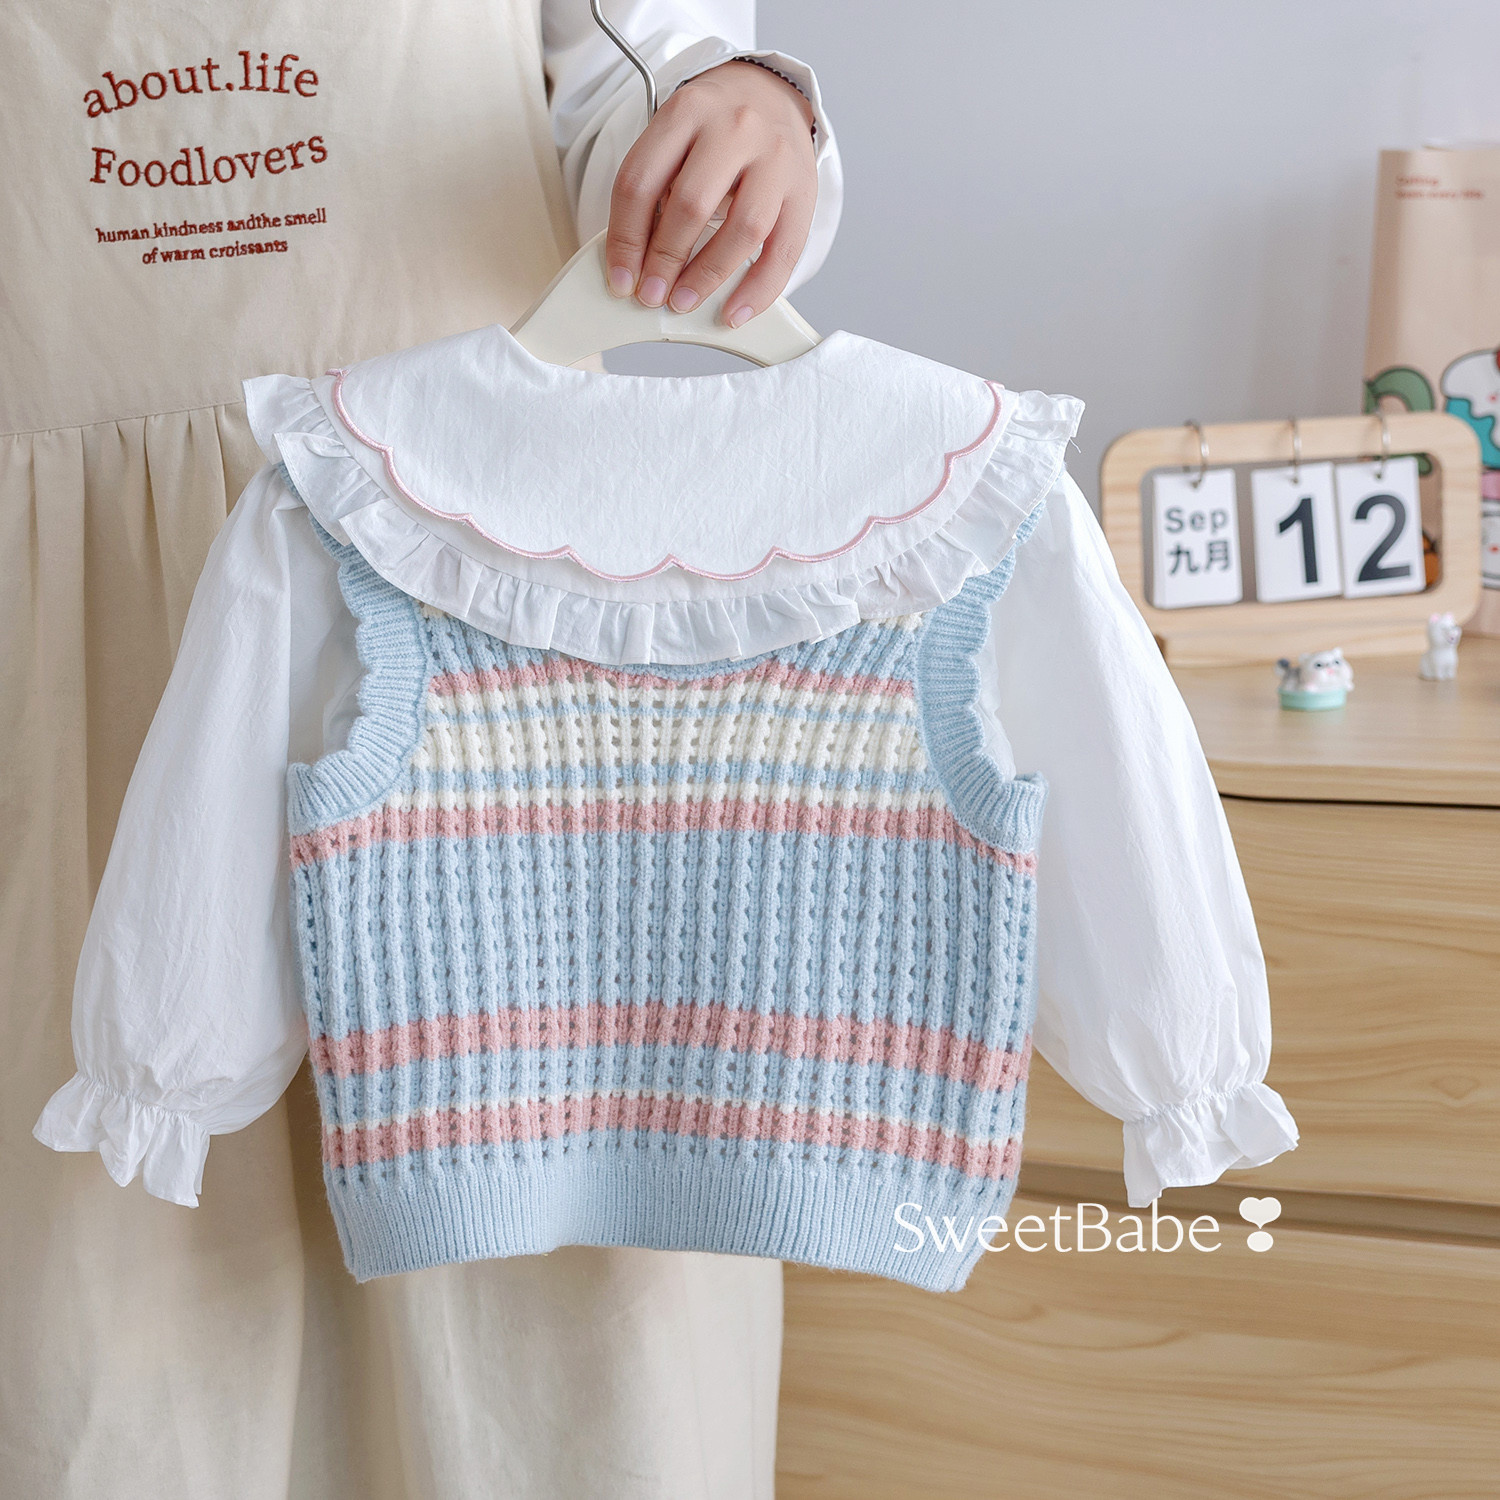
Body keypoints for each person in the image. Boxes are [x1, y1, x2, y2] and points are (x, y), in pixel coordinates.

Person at [1, 5, 842, 1497]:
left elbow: (650, 69)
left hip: (470, 617)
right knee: (101, 1321)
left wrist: (740, 118)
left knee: (560, 1329)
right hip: (65, 666)